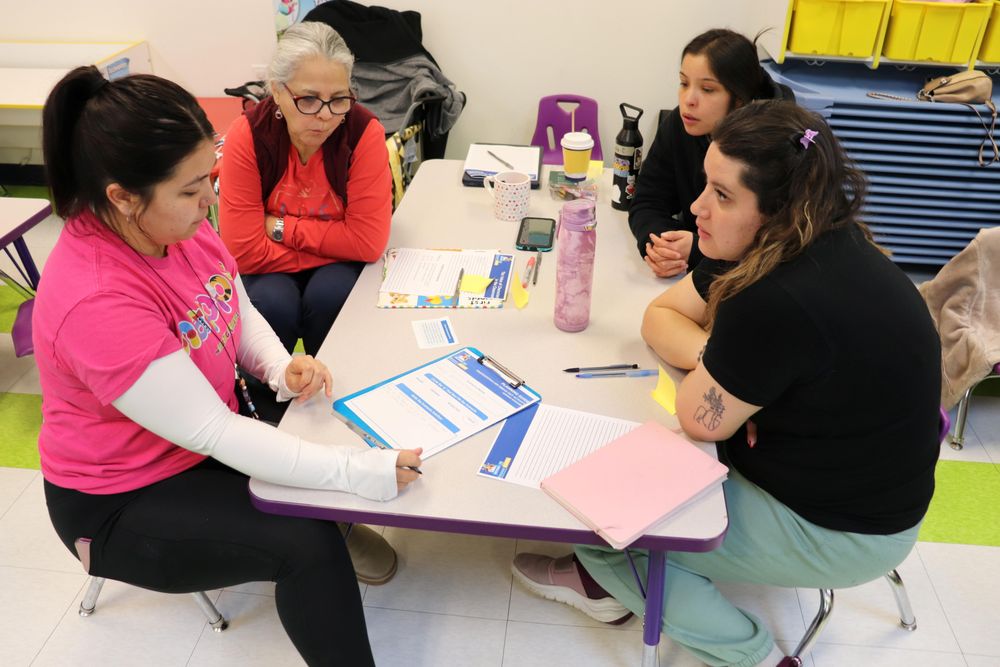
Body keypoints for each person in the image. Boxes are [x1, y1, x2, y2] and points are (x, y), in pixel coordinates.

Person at [512, 101, 941, 667]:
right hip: (859, 484)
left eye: (721, 194)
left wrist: (735, 374)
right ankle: (624, 586)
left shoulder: (775, 296)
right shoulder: (809, 240)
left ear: (777, 209)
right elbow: (659, 315)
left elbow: (695, 415)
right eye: (705, 185)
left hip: (846, 530)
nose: (696, 208)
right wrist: (736, 370)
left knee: (600, 528)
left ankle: (754, 657)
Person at [35, 66, 422, 667]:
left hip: (199, 426)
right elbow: (214, 431)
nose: (208, 202)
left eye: (206, 180)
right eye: (191, 191)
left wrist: (275, 366)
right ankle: (331, 526)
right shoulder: (96, 299)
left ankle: (330, 507)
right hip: (123, 497)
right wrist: (357, 473)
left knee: (322, 404)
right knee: (307, 544)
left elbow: (229, 300)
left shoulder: (170, 224)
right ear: (122, 196)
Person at [218, 21, 391, 357]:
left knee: (331, 296)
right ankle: (267, 401)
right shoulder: (248, 136)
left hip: (316, 260)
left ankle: (332, 387)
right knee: (272, 303)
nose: (325, 116)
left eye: (339, 99)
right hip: (279, 265)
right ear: (277, 91)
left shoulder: (363, 133)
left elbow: (368, 243)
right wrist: (339, 239)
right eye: (308, 99)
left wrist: (279, 227)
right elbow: (242, 251)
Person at [629, 28, 793, 279]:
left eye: (707, 89)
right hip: (690, 277)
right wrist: (660, 246)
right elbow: (648, 200)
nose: (688, 100)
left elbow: (775, 251)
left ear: (739, 99)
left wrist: (697, 250)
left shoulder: (775, 149)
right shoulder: (680, 123)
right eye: (684, 83)